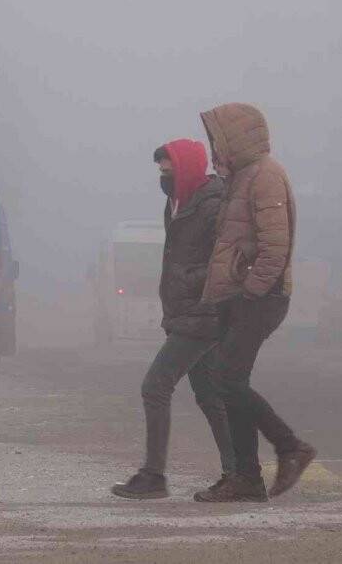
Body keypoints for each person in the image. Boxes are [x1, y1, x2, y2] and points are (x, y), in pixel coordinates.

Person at [193, 103, 317, 503]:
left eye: (216, 137)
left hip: (259, 299)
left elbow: (274, 247)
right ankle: (246, 478)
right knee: (230, 383)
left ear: (235, 136)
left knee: (226, 379)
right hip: (239, 297)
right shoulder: (241, 177)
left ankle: (289, 447)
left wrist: (251, 291)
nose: (213, 145)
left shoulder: (265, 175)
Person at [111, 138, 235, 499]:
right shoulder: (178, 203)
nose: (163, 177)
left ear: (187, 170)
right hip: (188, 312)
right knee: (210, 395)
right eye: (161, 171)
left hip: (203, 314)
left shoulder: (212, 206)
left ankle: (153, 476)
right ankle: (239, 473)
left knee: (156, 386)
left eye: (168, 171)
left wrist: (187, 281)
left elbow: (223, 262)